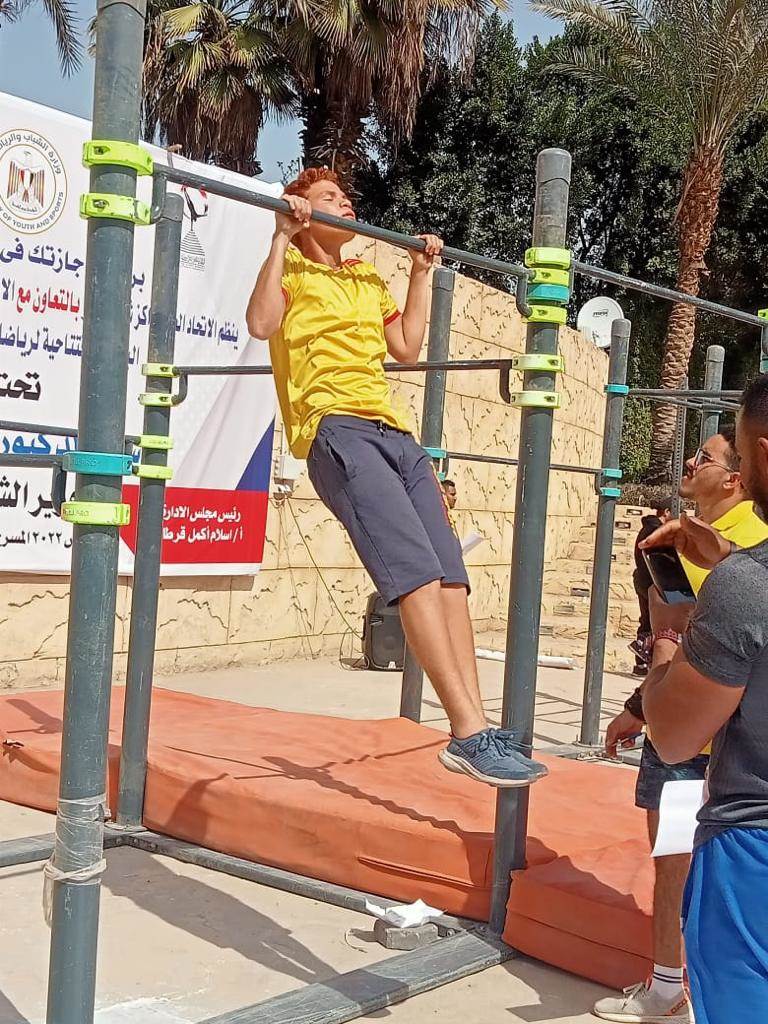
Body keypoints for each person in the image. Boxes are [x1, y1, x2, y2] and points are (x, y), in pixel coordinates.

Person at [245, 167, 545, 788]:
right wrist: (279, 238)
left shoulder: (364, 277)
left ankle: (480, 728)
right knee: (415, 576)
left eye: (346, 197)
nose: (346, 204)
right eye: (330, 197)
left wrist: (420, 274)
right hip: (336, 428)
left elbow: (406, 347)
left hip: (394, 432)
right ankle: (466, 731)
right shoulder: (292, 269)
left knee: (451, 577)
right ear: (301, 209)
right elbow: (261, 324)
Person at [594, 427, 768, 1023]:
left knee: (678, 860)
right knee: (670, 856)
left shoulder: (748, 569)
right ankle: (668, 983)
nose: (692, 464)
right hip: (705, 725)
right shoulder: (731, 551)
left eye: (712, 455)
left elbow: (679, 722)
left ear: (745, 469)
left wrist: (668, 632)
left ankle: (672, 985)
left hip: (716, 750)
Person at [639, 374, 768, 1024]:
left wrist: (668, 638)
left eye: (734, 453)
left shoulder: (747, 584)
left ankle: (667, 984)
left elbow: (673, 736)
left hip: (753, 849)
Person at [631, 497, 674, 676]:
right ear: (667, 512)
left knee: (646, 621)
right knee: (656, 624)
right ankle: (648, 661)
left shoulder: (647, 528)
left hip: (643, 580)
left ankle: (641, 664)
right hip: (652, 583)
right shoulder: (656, 531)